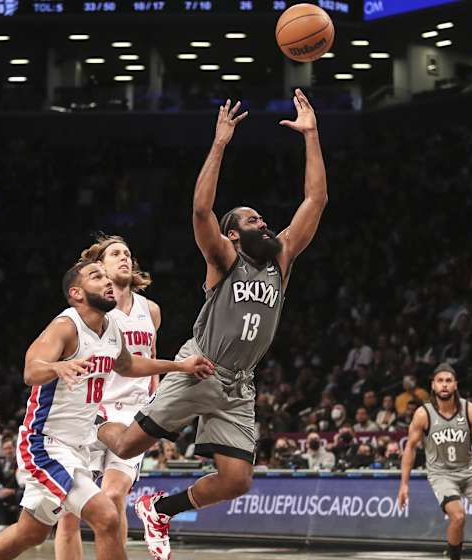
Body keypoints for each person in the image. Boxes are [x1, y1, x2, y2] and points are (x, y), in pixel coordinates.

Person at [96, 89, 328, 560]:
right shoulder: (224, 259)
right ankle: (90, 415)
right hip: (200, 366)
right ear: (234, 234)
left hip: (240, 383)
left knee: (237, 480)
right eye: (252, 220)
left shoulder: (281, 259)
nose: (264, 224)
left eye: (263, 219)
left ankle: (160, 509)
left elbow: (316, 199)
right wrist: (220, 143)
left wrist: (312, 135)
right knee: (121, 445)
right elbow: (201, 211)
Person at [0, 260, 213, 560]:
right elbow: (31, 370)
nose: (107, 281)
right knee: (107, 516)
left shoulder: (111, 327)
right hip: (45, 444)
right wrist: (57, 366)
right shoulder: (66, 326)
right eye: (96, 276)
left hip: (77, 447)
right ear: (76, 293)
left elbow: (129, 365)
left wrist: (179, 365)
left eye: (106, 276)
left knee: (30, 533)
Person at [55, 234, 162, 560]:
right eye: (116, 253)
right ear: (98, 266)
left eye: (128, 253)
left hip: (131, 416)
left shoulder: (151, 310)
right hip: (90, 412)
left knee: (114, 496)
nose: (125, 258)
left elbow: (151, 358)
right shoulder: (87, 310)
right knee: (70, 512)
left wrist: (155, 407)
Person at [398, 363, 472, 560]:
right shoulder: (423, 414)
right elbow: (409, 448)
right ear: (433, 385)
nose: (444, 385)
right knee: (458, 516)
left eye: (448, 381)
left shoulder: (470, 410)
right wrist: (404, 484)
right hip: (441, 474)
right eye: (440, 381)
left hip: (469, 471)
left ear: (455, 385)